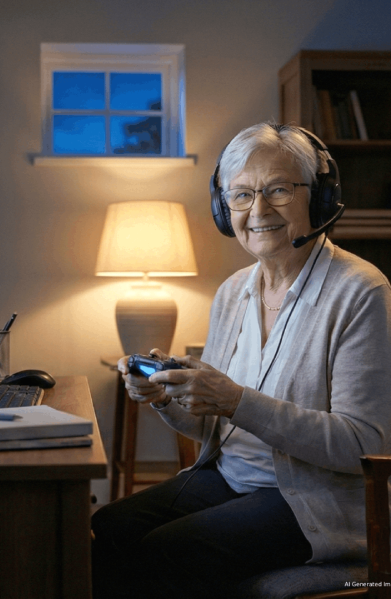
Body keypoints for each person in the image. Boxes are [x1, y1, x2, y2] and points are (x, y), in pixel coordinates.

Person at [91, 123, 391, 598]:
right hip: (231, 478)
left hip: (313, 500)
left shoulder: (360, 290)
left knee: (169, 550)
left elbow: (365, 446)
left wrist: (235, 401)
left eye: (277, 189)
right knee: (108, 527)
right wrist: (167, 397)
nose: (258, 210)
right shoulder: (233, 291)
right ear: (222, 207)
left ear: (319, 198)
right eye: (242, 195)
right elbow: (211, 427)